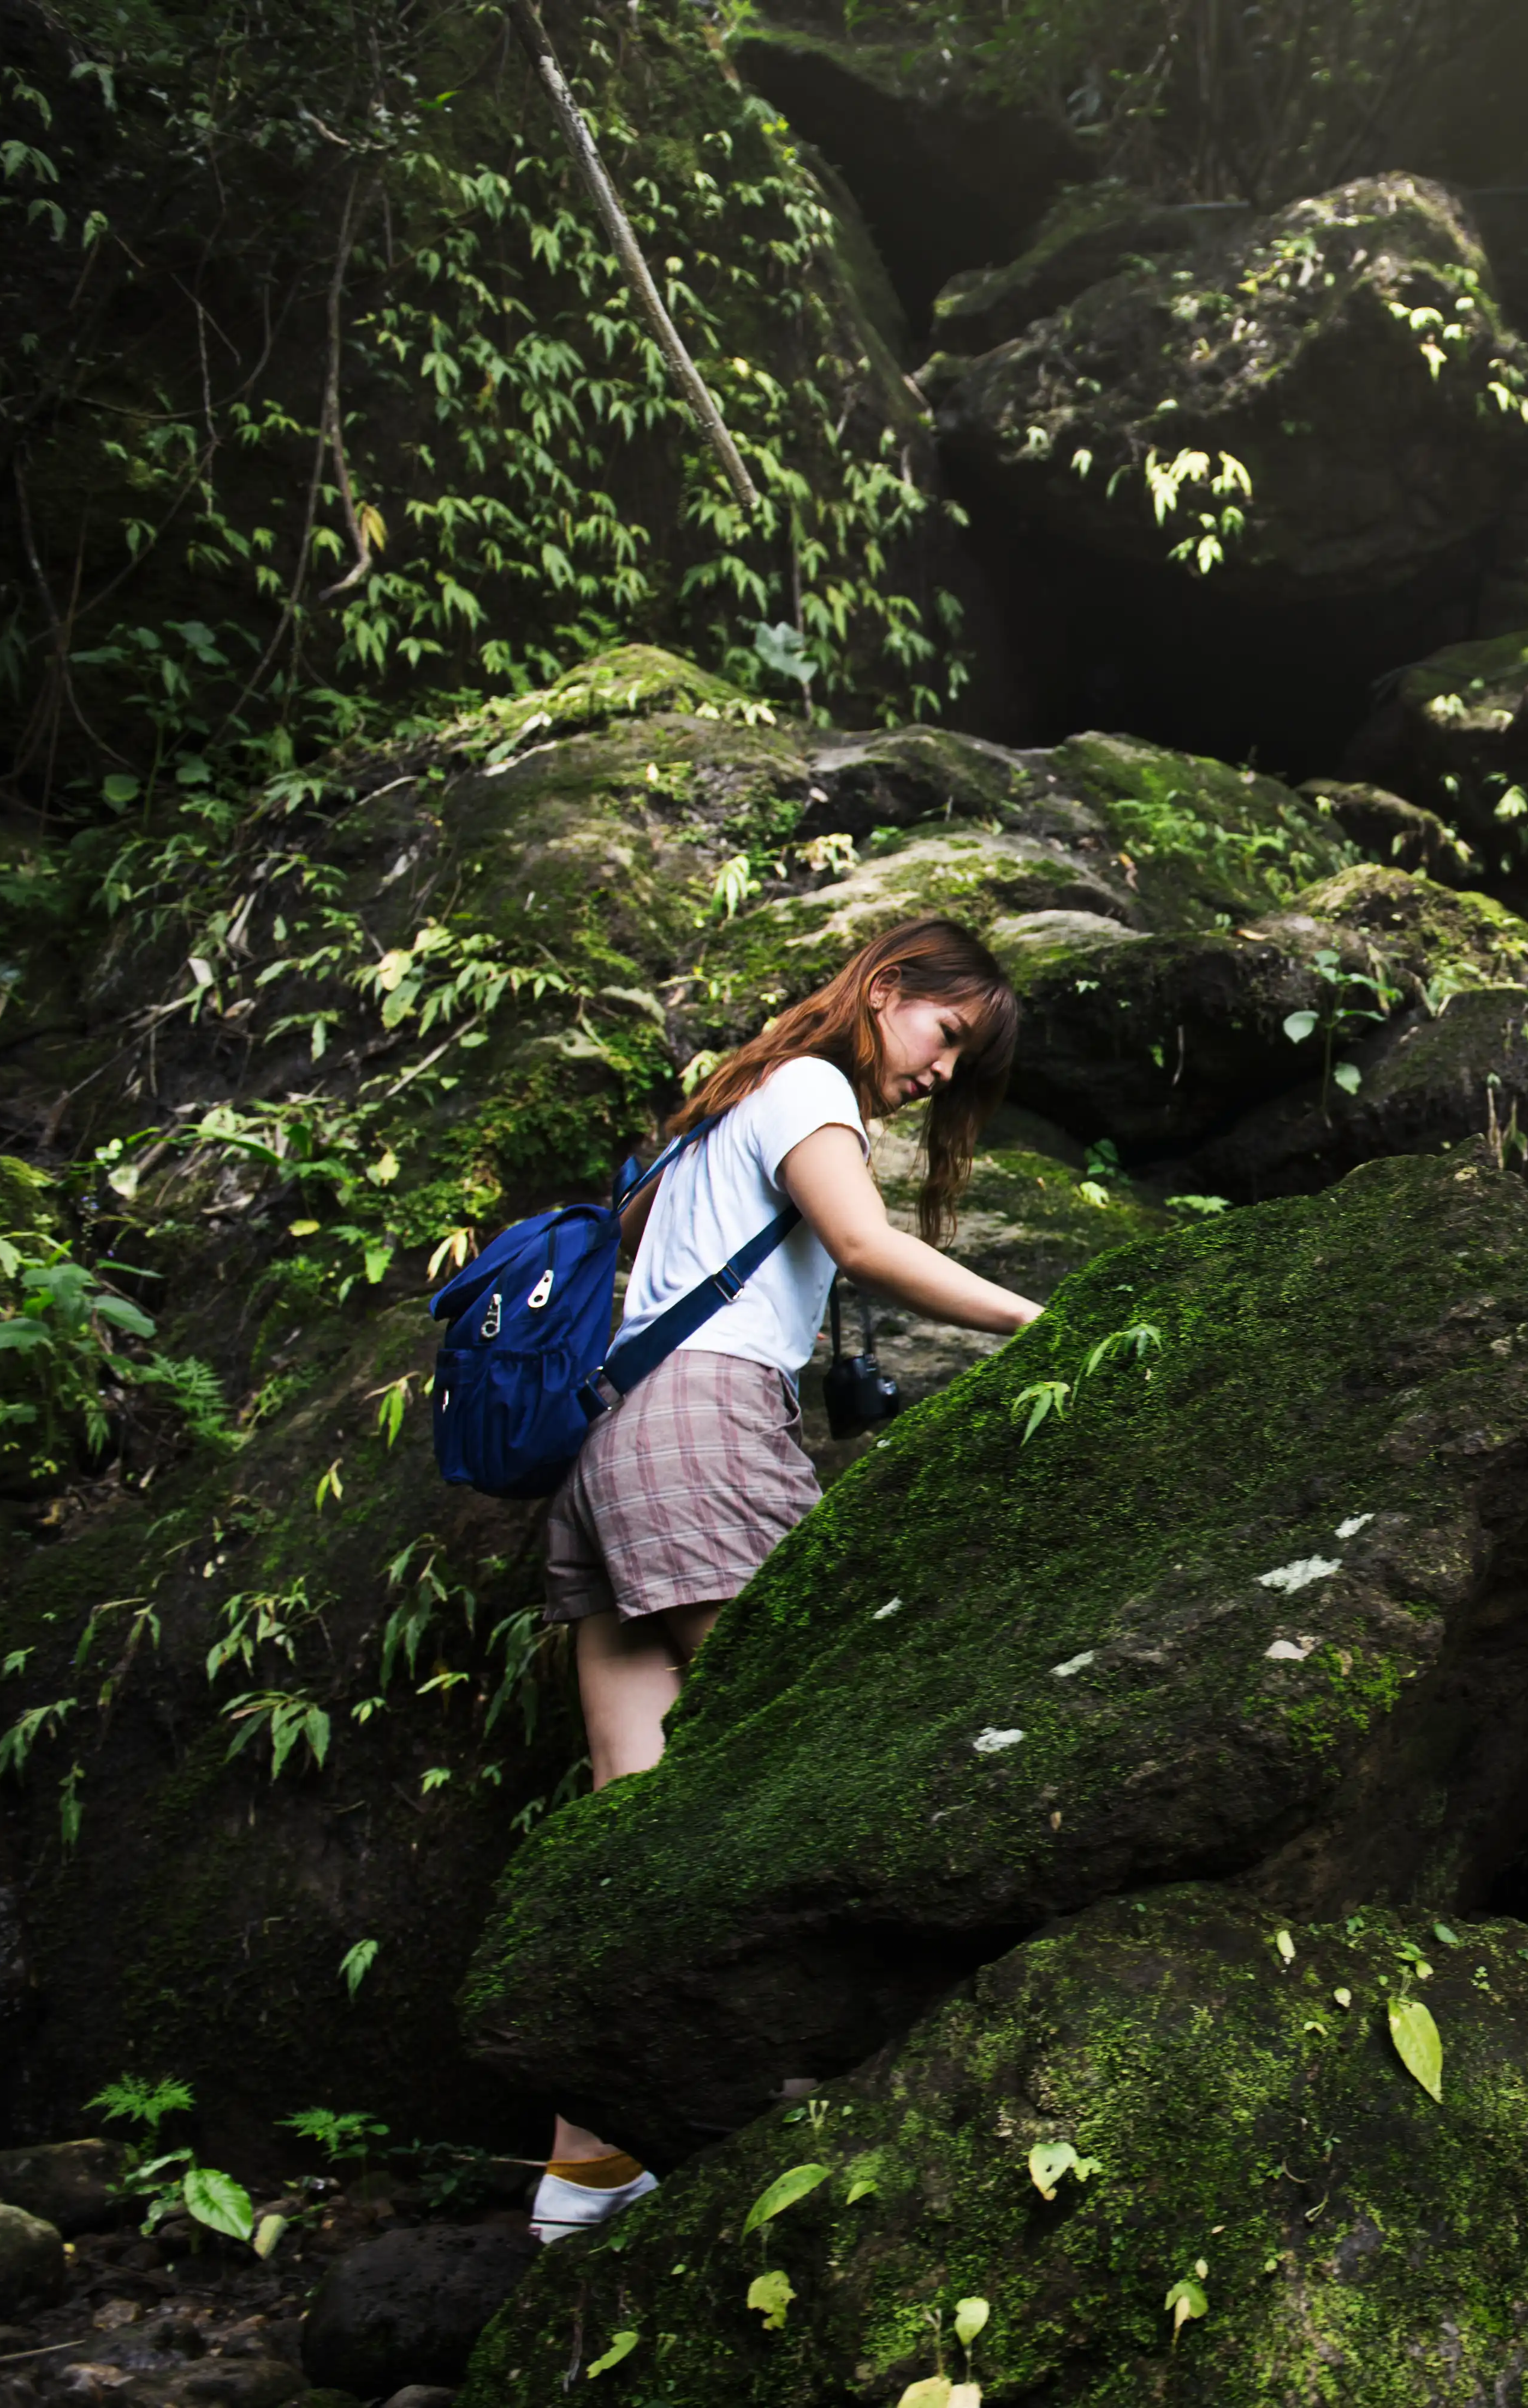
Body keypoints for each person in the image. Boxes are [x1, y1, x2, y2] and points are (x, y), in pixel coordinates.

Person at [527, 917, 1042, 2243]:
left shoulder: (729, 1099)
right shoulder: (812, 1087)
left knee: (632, 1820)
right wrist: (1040, 1320)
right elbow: (865, 1247)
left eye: (964, 1064)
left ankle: (587, 2170)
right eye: (946, 1035)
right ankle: (799, 2106)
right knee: (807, 1756)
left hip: (607, 1451)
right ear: (887, 987)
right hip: (702, 1432)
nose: (941, 1073)